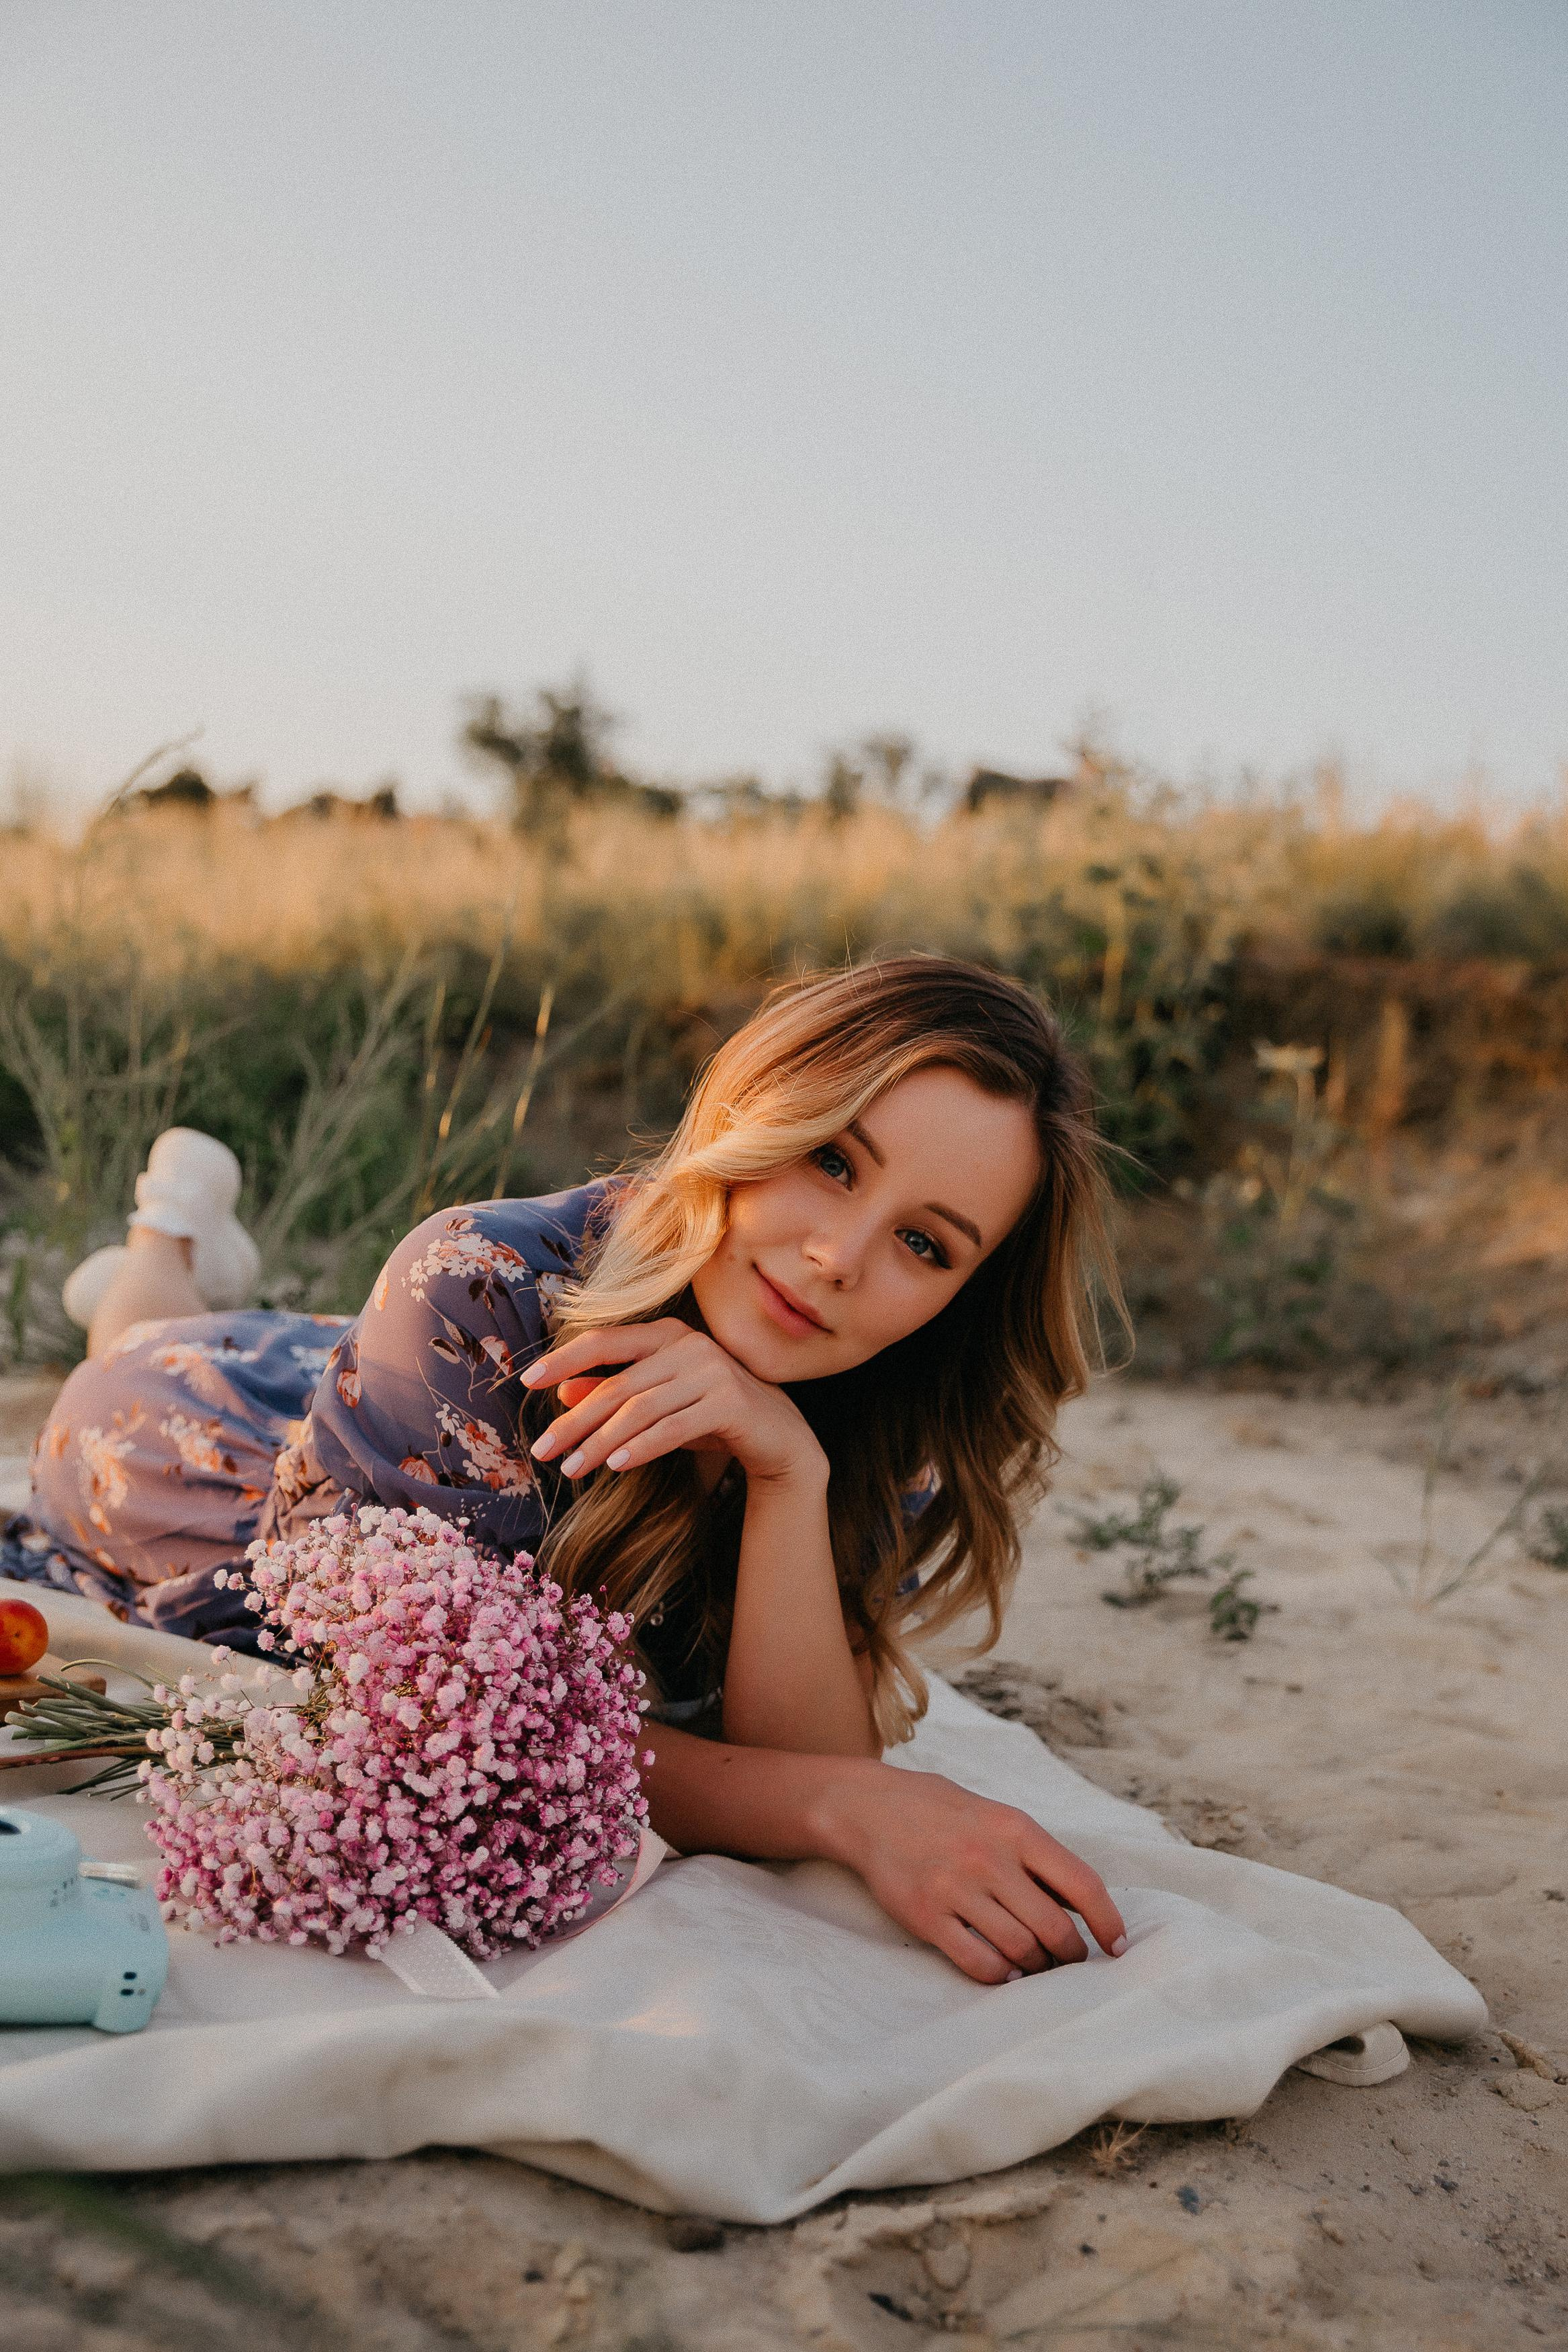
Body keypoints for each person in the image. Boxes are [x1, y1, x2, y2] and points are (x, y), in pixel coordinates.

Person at [15, 955, 1129, 1984]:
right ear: (751, 1114)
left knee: (320, 1353)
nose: (837, 1260)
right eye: (831, 1160)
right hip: (187, 1443)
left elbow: (791, 1753)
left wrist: (787, 1476)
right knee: (128, 1347)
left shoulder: (879, 1412)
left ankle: (183, 1253)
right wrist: (851, 1809)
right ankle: (165, 1237)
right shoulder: (472, 1280)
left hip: (398, 1401)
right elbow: (494, 1736)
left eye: (925, 1244)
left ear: (958, 1298)